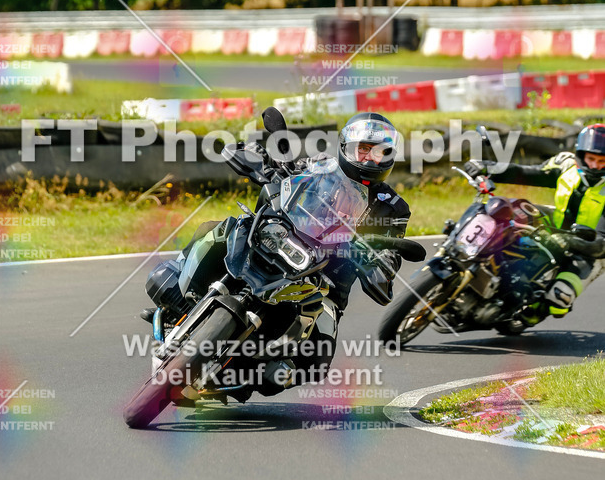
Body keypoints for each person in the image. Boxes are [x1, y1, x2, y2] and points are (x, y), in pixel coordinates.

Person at [142, 111, 411, 389]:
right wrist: (265, 161)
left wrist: (380, 264)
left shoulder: (393, 207)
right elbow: (288, 175)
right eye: (362, 149)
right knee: (216, 229)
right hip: (276, 240)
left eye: (377, 152)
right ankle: (183, 286)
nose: (368, 157)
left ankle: (254, 368)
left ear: (388, 156)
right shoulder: (320, 166)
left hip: (325, 284)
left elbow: (391, 254)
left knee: (317, 361)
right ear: (346, 148)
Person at [466, 123, 605, 322]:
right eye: (591, 159)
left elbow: (602, 244)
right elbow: (527, 172)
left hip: (589, 251)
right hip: (556, 223)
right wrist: (488, 167)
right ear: (581, 155)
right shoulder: (565, 164)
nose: (595, 166)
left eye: (602, 161)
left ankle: (528, 313)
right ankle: (474, 255)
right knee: (509, 208)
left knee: (558, 297)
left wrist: (571, 242)